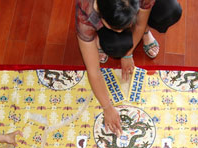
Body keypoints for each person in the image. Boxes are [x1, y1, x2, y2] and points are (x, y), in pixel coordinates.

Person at [76, 0, 182, 135]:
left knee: (170, 11)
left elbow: (139, 24)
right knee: (116, 45)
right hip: (101, 17)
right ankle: (98, 38)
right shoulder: (85, 12)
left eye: (127, 25)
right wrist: (107, 107)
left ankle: (146, 32)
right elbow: (93, 71)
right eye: (117, 28)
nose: (121, 31)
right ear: (102, 19)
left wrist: (128, 54)